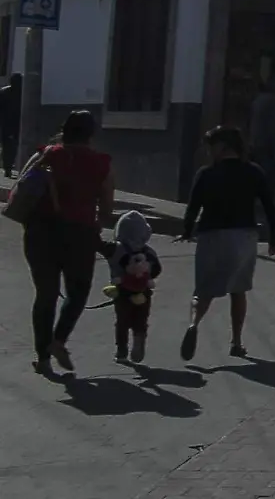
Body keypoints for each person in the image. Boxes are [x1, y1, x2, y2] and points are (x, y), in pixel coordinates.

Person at [20, 111, 113, 374]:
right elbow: (106, 206)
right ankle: (58, 340)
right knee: (78, 293)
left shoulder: (46, 154)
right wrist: (96, 225)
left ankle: (43, 358)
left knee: (45, 294)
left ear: (65, 131)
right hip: (81, 234)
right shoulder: (102, 163)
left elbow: (22, 189)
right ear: (91, 134)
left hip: (41, 233)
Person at [179, 127, 275, 361]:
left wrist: (186, 230)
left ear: (222, 146)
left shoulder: (205, 174)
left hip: (210, 236)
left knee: (203, 289)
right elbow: (269, 207)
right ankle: (236, 342)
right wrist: (274, 238)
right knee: (238, 289)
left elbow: (193, 206)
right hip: (243, 236)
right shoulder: (254, 172)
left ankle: (194, 323)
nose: (208, 151)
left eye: (210, 146)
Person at [101, 210, 162, 363]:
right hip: (143, 292)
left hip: (121, 292)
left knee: (122, 321)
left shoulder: (115, 248)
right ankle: (139, 336)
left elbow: (98, 245)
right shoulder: (148, 251)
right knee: (141, 318)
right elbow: (157, 270)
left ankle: (121, 351)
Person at [248, 76, 275, 189]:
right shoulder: (272, 102)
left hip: (256, 142)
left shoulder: (257, 100)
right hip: (266, 145)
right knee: (268, 176)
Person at [0, 72, 21, 178]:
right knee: (9, 147)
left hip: (15, 123)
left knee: (11, 147)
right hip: (9, 123)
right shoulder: (5, 92)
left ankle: (9, 167)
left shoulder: (22, 92)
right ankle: (8, 167)